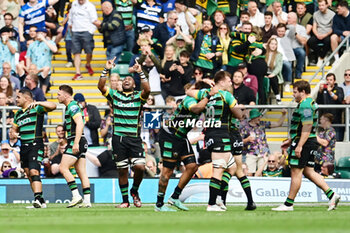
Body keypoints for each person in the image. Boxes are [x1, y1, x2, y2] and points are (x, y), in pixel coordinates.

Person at [272, 80, 340, 211]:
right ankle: (332, 195)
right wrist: (291, 140)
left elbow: (307, 126)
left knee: (296, 171)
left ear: (303, 92)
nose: (293, 94)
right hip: (308, 141)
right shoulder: (307, 103)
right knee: (309, 171)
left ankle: (288, 204)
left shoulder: (306, 105)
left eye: (295, 92)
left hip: (305, 142)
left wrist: (299, 145)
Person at [98, 57, 150, 208]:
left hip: (134, 138)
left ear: (134, 84)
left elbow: (147, 89)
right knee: (122, 170)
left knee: (140, 167)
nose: (126, 80)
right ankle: (125, 201)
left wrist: (140, 72)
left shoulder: (139, 97)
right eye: (124, 79)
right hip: (118, 138)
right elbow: (101, 86)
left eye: (129, 79)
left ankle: (135, 190)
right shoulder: (115, 96)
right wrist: (106, 69)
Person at [189, 71, 243, 211]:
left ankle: (218, 197)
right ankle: (212, 203)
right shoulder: (226, 95)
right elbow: (239, 115)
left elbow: (189, 91)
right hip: (221, 135)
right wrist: (237, 108)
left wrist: (204, 84)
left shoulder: (206, 92)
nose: (231, 82)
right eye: (229, 80)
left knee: (231, 167)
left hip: (209, 134)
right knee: (218, 170)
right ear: (221, 81)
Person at [155, 81, 212, 211]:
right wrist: (208, 96)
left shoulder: (199, 100)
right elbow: (196, 109)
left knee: (192, 167)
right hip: (170, 135)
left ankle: (175, 197)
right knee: (167, 172)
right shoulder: (190, 100)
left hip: (181, 137)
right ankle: (159, 204)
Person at [13, 89, 56, 208]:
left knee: (34, 171)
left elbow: (53, 106)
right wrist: (13, 133)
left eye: (18, 97)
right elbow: (13, 129)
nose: (16, 100)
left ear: (26, 98)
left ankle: (37, 198)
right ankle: (41, 201)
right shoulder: (18, 114)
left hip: (35, 144)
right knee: (28, 174)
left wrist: (39, 103)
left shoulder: (36, 108)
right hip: (24, 147)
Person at [57, 84, 91, 208]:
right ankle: (87, 201)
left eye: (59, 94)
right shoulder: (71, 106)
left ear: (66, 95)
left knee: (63, 168)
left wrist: (75, 142)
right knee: (81, 172)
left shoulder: (72, 106)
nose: (57, 97)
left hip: (76, 140)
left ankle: (76, 195)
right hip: (81, 140)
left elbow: (80, 123)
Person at [240, 109, 286, 176]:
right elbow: (240, 142)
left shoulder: (262, 124)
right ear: (253, 118)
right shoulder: (245, 127)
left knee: (262, 173)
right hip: (250, 153)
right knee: (249, 173)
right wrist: (247, 139)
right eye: (258, 117)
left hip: (263, 153)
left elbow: (278, 124)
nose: (260, 118)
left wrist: (283, 115)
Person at [69, 0, 100, 80]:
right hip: (75, 31)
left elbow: (94, 20)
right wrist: (70, 24)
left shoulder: (90, 6)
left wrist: (90, 31)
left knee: (89, 51)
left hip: (87, 31)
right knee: (76, 52)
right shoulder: (74, 4)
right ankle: (78, 73)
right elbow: (71, 15)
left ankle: (88, 64)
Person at [26, 27, 57, 93]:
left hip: (45, 71)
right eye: (38, 33)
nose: (39, 34)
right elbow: (28, 57)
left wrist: (44, 40)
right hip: (35, 71)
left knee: (43, 91)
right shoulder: (32, 44)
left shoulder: (50, 43)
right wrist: (28, 67)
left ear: (45, 34)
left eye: (42, 33)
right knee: (33, 89)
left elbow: (55, 50)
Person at [316, 73, 344, 141]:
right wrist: (320, 91)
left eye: (331, 80)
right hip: (325, 119)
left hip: (336, 118)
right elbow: (318, 102)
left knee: (337, 139)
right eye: (327, 80)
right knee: (325, 140)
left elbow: (339, 99)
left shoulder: (339, 89)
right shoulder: (324, 90)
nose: (329, 81)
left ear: (334, 81)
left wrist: (330, 92)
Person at [307, 0, 335, 67]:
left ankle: (321, 58)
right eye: (319, 5)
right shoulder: (315, 14)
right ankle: (323, 56)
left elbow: (332, 28)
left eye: (322, 5)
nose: (321, 7)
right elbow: (314, 27)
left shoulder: (332, 14)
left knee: (328, 41)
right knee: (310, 42)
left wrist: (325, 35)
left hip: (327, 33)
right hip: (318, 33)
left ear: (326, 5)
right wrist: (317, 34)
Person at [287, 12, 309, 79]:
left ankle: (298, 73)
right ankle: (289, 77)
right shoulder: (284, 28)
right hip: (287, 49)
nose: (287, 19)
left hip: (297, 48)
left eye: (289, 18)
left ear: (294, 19)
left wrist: (295, 33)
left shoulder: (301, 28)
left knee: (302, 53)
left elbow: (303, 42)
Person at [265, 37, 283, 104]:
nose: (273, 46)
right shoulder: (264, 53)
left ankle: (278, 97)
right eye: (272, 44)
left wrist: (273, 74)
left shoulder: (279, 55)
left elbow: (279, 67)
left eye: (275, 44)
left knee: (273, 78)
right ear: (268, 44)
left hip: (273, 73)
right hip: (264, 73)